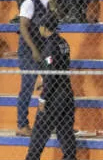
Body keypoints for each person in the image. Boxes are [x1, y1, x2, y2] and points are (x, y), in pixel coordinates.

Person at [24, 14, 77, 160]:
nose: (39, 28)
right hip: (66, 92)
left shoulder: (49, 46)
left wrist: (43, 98)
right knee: (65, 131)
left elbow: (51, 76)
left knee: (39, 133)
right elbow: (58, 67)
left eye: (40, 26)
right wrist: (45, 78)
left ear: (45, 28)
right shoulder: (63, 42)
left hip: (54, 96)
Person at [15, 0, 55, 137]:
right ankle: (22, 124)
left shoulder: (50, 3)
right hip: (29, 51)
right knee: (27, 85)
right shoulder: (29, 3)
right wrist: (33, 50)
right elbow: (23, 27)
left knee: (52, 82)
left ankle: (52, 122)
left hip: (45, 50)